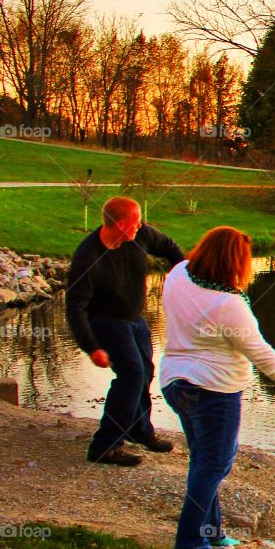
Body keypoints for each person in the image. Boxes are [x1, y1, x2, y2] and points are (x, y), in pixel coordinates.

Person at [159, 226, 275, 549]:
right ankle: (189, 543)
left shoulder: (179, 274)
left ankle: (211, 531)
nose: (250, 268)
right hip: (213, 390)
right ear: (232, 263)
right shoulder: (227, 304)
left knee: (202, 459)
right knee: (214, 464)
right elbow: (259, 351)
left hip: (175, 383)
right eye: (246, 261)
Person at [66, 196, 186, 466]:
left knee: (145, 372)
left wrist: (184, 276)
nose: (140, 225)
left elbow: (168, 247)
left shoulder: (140, 235)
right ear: (120, 224)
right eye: (134, 221)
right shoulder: (88, 257)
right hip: (106, 321)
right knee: (131, 375)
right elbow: (75, 306)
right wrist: (91, 346)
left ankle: (139, 429)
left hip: (134, 317)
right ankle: (104, 446)